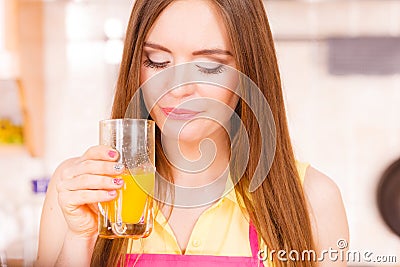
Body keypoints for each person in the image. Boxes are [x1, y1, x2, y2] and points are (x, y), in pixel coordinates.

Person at [35, 0, 349, 266]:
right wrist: (79, 241)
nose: (178, 87)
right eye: (157, 61)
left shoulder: (313, 199)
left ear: (249, 73)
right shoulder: (77, 192)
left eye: (209, 66)